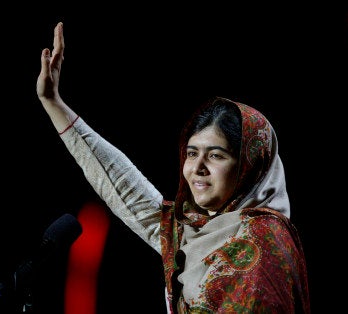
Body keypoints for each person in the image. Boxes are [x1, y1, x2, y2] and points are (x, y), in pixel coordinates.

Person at [36, 21, 310, 313]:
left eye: (216, 156)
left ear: (250, 168)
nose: (198, 168)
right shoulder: (192, 231)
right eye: (192, 154)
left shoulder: (265, 243)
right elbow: (126, 190)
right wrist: (53, 103)